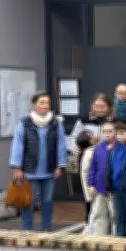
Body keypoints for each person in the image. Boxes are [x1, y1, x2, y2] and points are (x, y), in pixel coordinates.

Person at [9, 92, 67, 231]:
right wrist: (17, 167)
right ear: (34, 105)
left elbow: (61, 145)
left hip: (49, 171)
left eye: (47, 103)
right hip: (29, 172)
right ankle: (26, 230)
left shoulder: (56, 124)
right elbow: (18, 145)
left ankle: (46, 229)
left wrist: (60, 165)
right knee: (28, 202)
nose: (46, 106)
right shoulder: (24, 123)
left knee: (47, 201)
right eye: (42, 103)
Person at [86, 120, 116, 235]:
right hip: (99, 188)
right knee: (99, 214)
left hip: (114, 189)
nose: (107, 134)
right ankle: (100, 238)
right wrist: (91, 184)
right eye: (104, 131)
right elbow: (93, 168)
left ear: (115, 132)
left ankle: (115, 239)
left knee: (114, 215)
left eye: (110, 131)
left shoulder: (119, 148)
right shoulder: (98, 148)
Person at [76, 130, 97, 229]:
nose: (95, 135)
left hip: (88, 187)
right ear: (90, 141)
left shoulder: (83, 153)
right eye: (91, 135)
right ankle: (89, 227)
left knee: (89, 206)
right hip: (92, 185)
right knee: (92, 208)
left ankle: (88, 225)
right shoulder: (90, 153)